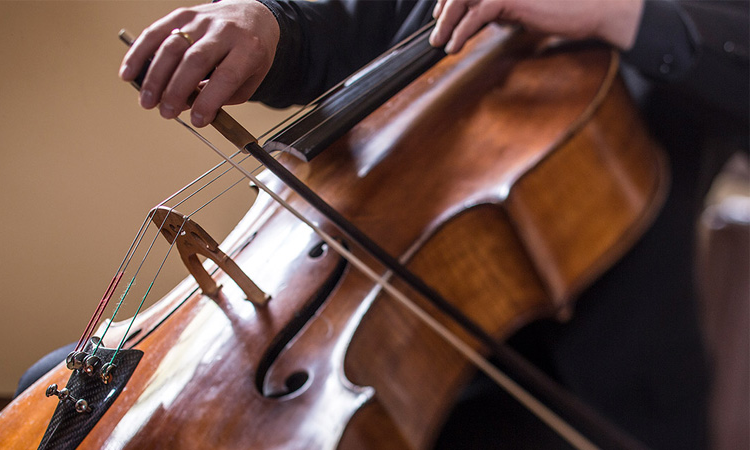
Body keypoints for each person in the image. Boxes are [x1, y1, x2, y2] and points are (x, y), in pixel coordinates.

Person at [109, 1, 745, 448]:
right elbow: (339, 18)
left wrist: (621, 12)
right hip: (337, 312)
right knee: (81, 397)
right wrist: (266, 19)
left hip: (574, 381)